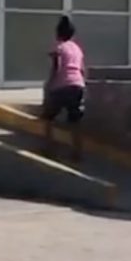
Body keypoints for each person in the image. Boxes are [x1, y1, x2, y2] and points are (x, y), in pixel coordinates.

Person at [41, 15, 86, 162]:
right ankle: (77, 152)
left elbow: (57, 67)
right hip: (77, 85)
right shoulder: (78, 49)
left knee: (49, 118)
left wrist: (49, 85)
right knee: (75, 120)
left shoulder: (59, 47)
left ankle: (49, 149)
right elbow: (82, 69)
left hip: (62, 85)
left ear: (58, 34)